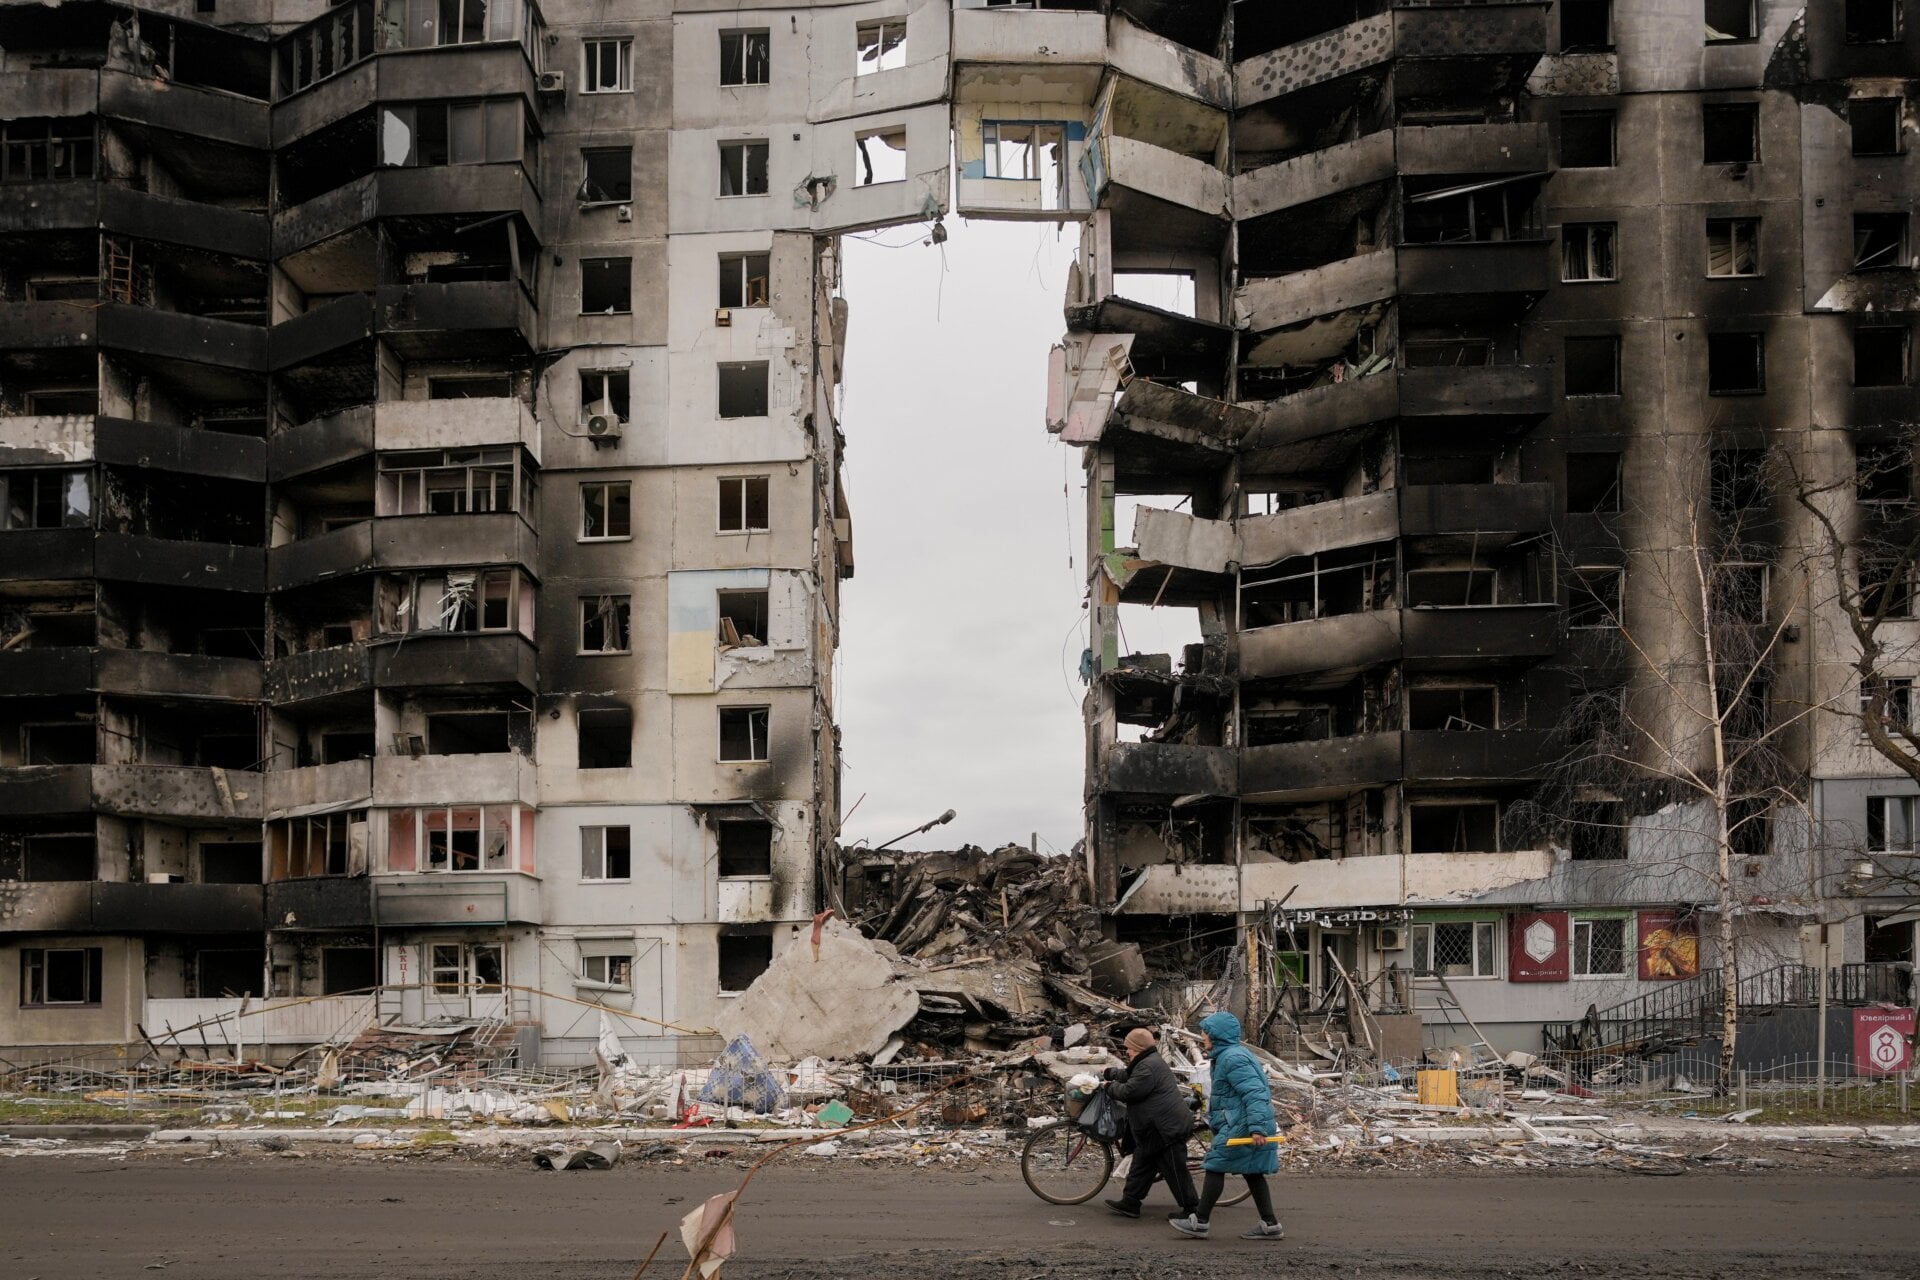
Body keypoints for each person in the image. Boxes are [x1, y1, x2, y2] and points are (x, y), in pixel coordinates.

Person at [1168, 1010, 1283, 1241]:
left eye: (1206, 1034)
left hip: (1241, 1125)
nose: (1203, 1038)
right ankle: (1270, 1225)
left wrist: (1257, 1128)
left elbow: (1255, 1093)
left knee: (1215, 1165)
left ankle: (1200, 1221)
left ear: (1217, 1036)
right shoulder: (1228, 1056)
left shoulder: (1233, 1058)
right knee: (1253, 1173)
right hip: (1240, 1122)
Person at [1099, 1027, 1197, 1219]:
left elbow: (1130, 1091)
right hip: (1154, 1128)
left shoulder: (1147, 1066)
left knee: (1175, 1170)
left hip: (1165, 1128)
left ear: (1139, 1048)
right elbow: (1130, 1076)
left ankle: (1193, 1209)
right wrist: (1111, 1073)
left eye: (1129, 1048)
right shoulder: (1147, 1062)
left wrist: (1110, 1087)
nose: (1127, 1051)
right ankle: (1130, 1202)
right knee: (1142, 1163)